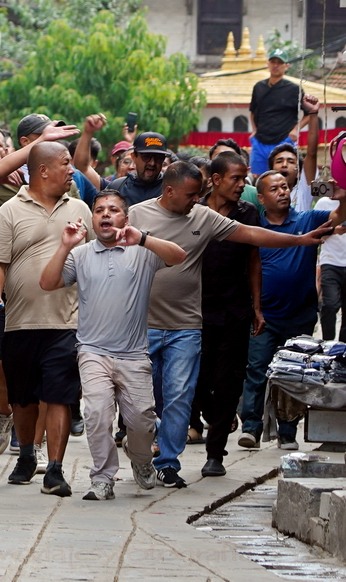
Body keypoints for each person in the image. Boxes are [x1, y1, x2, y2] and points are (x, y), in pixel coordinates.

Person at [128, 161, 332, 488]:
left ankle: (169, 462)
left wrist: (299, 240)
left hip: (188, 325)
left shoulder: (205, 217)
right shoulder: (137, 215)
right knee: (146, 400)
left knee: (181, 394)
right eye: (191, 195)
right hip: (143, 325)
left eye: (199, 195)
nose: (196, 200)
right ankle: (142, 452)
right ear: (169, 191)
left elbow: (250, 235)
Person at [40, 190, 186, 500]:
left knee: (142, 420)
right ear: (92, 220)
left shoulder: (142, 251)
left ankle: (143, 461)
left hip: (134, 355)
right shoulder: (80, 254)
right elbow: (48, 282)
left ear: (126, 218)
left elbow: (179, 256)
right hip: (92, 351)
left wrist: (143, 238)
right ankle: (103, 478)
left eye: (113, 210)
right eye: (99, 210)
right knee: (96, 414)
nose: (106, 214)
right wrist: (65, 246)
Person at [0, 141, 93, 497]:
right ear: (43, 170)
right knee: (24, 398)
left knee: (60, 394)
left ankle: (56, 469)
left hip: (68, 321)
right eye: (65, 164)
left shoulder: (78, 207)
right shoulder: (11, 210)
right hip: (20, 320)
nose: (71, 170)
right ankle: (27, 453)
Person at [240, 171, 346, 451]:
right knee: (257, 369)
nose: (283, 192)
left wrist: (342, 198)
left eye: (285, 187)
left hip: (301, 314)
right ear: (261, 198)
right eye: (275, 189)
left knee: (295, 374)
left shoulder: (306, 220)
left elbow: (337, 219)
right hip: (265, 315)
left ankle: (287, 431)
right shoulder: (255, 230)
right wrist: (255, 309)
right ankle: (250, 427)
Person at [194, 152, 263, 477]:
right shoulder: (192, 210)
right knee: (197, 380)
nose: (241, 184)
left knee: (227, 382)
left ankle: (215, 452)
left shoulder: (247, 213)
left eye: (244, 178)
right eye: (235, 178)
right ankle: (213, 417)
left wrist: (257, 306)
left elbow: (253, 260)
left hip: (234, 311)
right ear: (216, 179)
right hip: (195, 312)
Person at [248, 48, 319, 176]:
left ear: (286, 66)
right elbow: (253, 112)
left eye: (279, 63)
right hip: (260, 140)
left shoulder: (294, 89)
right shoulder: (259, 87)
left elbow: (309, 114)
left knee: (284, 177)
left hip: (283, 140)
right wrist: (254, 131)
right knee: (258, 178)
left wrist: (296, 129)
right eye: (273, 62)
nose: (276, 65)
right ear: (268, 64)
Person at [106, 132, 168, 205]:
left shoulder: (170, 188)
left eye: (158, 158)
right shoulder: (118, 187)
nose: (152, 163)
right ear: (134, 157)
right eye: (146, 157)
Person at [316, 195, 346, 341]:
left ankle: (342, 349)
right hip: (330, 261)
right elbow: (314, 232)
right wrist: (333, 230)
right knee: (330, 304)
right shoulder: (324, 203)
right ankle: (327, 343)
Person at [208, 139, 260, 209]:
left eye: (230, 157)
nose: (241, 184)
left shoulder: (254, 197)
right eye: (219, 157)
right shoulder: (201, 192)